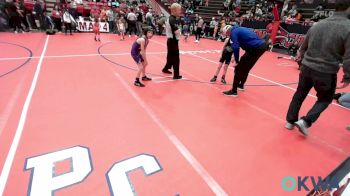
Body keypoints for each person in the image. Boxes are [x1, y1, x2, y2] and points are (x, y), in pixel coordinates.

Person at [285, 0, 350, 136]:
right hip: (325, 70)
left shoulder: (318, 24)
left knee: (299, 94)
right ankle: (306, 121)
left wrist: (301, 58)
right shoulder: (348, 27)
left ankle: (290, 121)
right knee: (325, 99)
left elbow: (303, 47)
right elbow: (348, 56)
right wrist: (347, 75)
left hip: (307, 67)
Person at [223, 24, 269, 97]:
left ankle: (234, 91)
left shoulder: (233, 32)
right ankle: (241, 85)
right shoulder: (241, 29)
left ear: (228, 32)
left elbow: (235, 47)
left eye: (227, 34)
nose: (228, 36)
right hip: (261, 46)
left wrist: (237, 61)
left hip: (256, 48)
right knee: (246, 67)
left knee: (238, 68)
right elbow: (249, 41)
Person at [162, 3, 182, 80]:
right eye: (179, 10)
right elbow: (177, 32)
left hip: (171, 41)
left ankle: (165, 69)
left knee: (170, 56)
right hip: (173, 41)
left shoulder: (171, 18)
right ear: (174, 10)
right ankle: (176, 75)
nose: (180, 11)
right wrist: (180, 31)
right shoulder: (172, 19)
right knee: (176, 58)